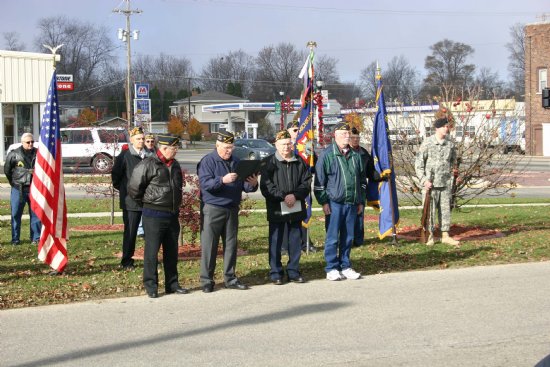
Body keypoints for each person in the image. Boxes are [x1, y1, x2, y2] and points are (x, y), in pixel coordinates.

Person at [197, 131, 258, 293]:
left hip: (232, 208)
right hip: (213, 208)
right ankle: (206, 280)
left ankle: (230, 278)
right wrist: (222, 180)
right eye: (226, 147)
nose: (228, 151)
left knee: (231, 245)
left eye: (231, 147)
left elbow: (244, 186)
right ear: (217, 145)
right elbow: (205, 185)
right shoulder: (208, 161)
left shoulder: (236, 162)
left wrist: (252, 183)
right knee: (209, 245)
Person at [128, 134, 188, 298]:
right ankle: (151, 286)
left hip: (172, 215)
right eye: (174, 149)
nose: (176, 152)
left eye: (176, 149)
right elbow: (134, 189)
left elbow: (178, 187)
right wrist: (148, 203)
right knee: (151, 252)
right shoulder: (148, 164)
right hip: (153, 215)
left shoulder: (175, 165)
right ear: (164, 148)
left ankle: (172, 284)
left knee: (172, 252)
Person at [314, 122, 366, 281]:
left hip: (352, 203)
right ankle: (331, 268)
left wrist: (360, 201)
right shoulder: (327, 155)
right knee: (332, 237)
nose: (346, 136)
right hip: (334, 204)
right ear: (335, 135)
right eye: (343, 134)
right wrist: (324, 202)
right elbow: (319, 182)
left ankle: (346, 265)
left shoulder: (357, 156)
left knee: (348, 237)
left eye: (348, 133)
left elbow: (362, 181)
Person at [260, 130, 312, 285]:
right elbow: (266, 186)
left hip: (296, 207)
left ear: (292, 144)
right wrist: (284, 196)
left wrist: (295, 195)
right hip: (277, 208)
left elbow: (306, 182)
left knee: (295, 240)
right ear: (276, 145)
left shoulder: (300, 161)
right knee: (275, 241)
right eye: (283, 144)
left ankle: (293, 271)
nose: (286, 147)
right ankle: (276, 272)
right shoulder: (268, 163)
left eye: (289, 144)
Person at [415, 117, 460, 247]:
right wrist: (424, 181)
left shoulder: (450, 144)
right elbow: (418, 164)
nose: (447, 128)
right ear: (437, 128)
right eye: (444, 126)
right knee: (430, 212)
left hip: (444, 184)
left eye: (448, 126)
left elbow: (453, 162)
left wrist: (453, 175)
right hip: (430, 185)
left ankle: (445, 235)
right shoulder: (427, 143)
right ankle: (429, 236)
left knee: (445, 211)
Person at [112, 126, 146, 270]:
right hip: (131, 202)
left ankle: (150, 259)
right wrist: (126, 190)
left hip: (149, 201)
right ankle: (127, 261)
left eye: (143, 138)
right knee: (131, 232)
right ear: (131, 140)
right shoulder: (125, 156)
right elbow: (116, 177)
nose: (141, 141)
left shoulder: (149, 154)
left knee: (150, 232)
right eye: (138, 139)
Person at [285, 120, 318, 253]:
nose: (297, 132)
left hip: (302, 187)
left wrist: (311, 154)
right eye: (294, 130)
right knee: (286, 217)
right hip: (287, 187)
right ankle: (285, 246)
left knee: (304, 214)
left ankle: (306, 243)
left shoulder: (305, 145)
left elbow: (314, 166)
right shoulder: (284, 145)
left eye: (298, 129)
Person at [3, 133, 41, 245]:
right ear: (22, 142)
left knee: (36, 214)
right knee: (15, 214)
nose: (30, 144)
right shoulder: (14, 154)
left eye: (32, 142)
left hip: (34, 189)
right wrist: (14, 182)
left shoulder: (38, 153)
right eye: (28, 142)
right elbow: (7, 171)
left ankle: (36, 238)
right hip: (18, 189)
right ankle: (15, 239)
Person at [349, 127, 382, 247]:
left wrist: (382, 176)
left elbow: (371, 171)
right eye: (353, 138)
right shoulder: (344, 152)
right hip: (347, 189)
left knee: (359, 215)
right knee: (347, 216)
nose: (356, 140)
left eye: (358, 138)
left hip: (360, 189)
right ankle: (347, 239)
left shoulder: (363, 153)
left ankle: (358, 241)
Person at [137, 133, 157, 238]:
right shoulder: (142, 153)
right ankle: (140, 230)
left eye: (152, 141)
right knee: (142, 205)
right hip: (143, 182)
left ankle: (148, 228)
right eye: (148, 141)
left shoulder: (156, 152)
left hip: (153, 183)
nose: (150, 143)